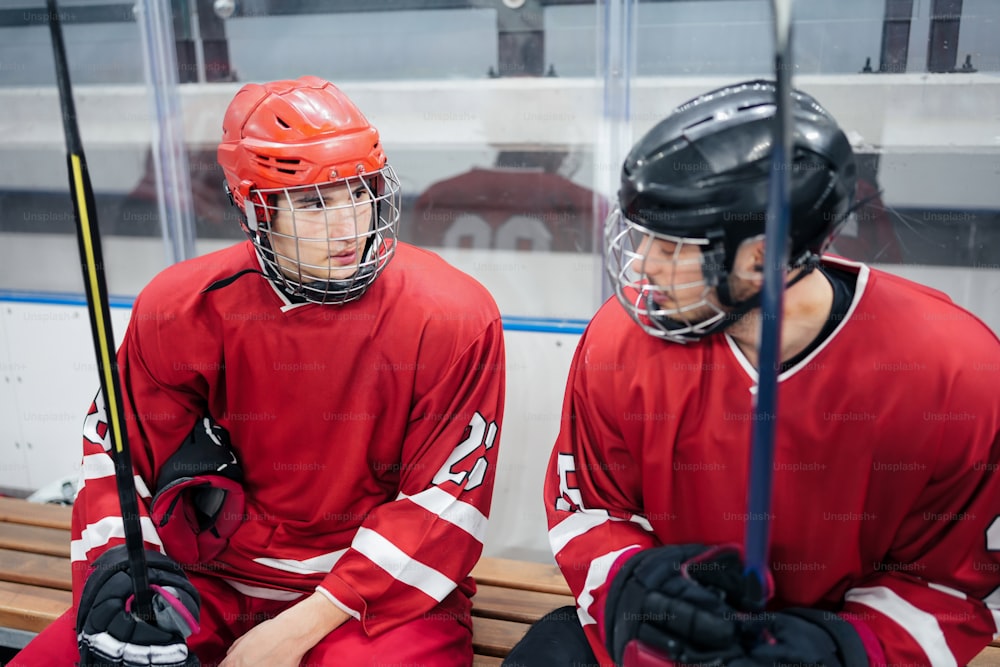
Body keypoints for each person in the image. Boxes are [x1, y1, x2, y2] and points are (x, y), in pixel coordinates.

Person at [503, 79, 1000, 667]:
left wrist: (842, 649)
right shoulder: (620, 339)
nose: (645, 265)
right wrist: (639, 588)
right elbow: (590, 508)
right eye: (644, 236)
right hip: (659, 639)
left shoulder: (956, 374)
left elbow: (949, 581)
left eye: (673, 244)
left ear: (765, 254)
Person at [12, 75, 505, 667]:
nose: (348, 224)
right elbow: (117, 459)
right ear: (254, 206)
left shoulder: (451, 316)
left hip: (377, 598)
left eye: (359, 191)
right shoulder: (181, 307)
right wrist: (122, 572)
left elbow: (444, 505)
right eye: (313, 202)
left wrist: (295, 629)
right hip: (212, 579)